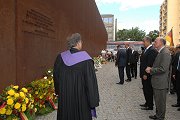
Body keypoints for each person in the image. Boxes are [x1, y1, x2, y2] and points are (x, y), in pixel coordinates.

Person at [53, 33, 100, 120]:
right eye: (81, 42)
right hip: (81, 100)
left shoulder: (60, 57)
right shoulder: (86, 60)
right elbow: (90, 82)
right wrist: (93, 100)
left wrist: (59, 92)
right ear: (78, 43)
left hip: (65, 98)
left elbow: (56, 77)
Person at [146, 37, 171, 120]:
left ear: (161, 43)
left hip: (161, 83)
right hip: (157, 82)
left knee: (161, 102)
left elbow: (163, 68)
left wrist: (151, 69)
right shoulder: (161, 52)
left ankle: (160, 117)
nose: (154, 43)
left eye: (156, 41)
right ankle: (158, 115)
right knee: (157, 101)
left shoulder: (165, 53)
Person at [140, 36, 158, 110]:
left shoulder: (152, 50)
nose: (143, 43)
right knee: (145, 89)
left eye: (144, 42)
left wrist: (145, 74)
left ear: (147, 41)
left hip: (147, 74)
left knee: (148, 90)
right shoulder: (147, 49)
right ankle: (147, 102)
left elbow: (149, 64)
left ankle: (150, 105)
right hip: (144, 73)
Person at [171, 45, 180, 110]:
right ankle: (178, 103)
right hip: (177, 73)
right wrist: (174, 73)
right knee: (178, 88)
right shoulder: (177, 55)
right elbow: (174, 64)